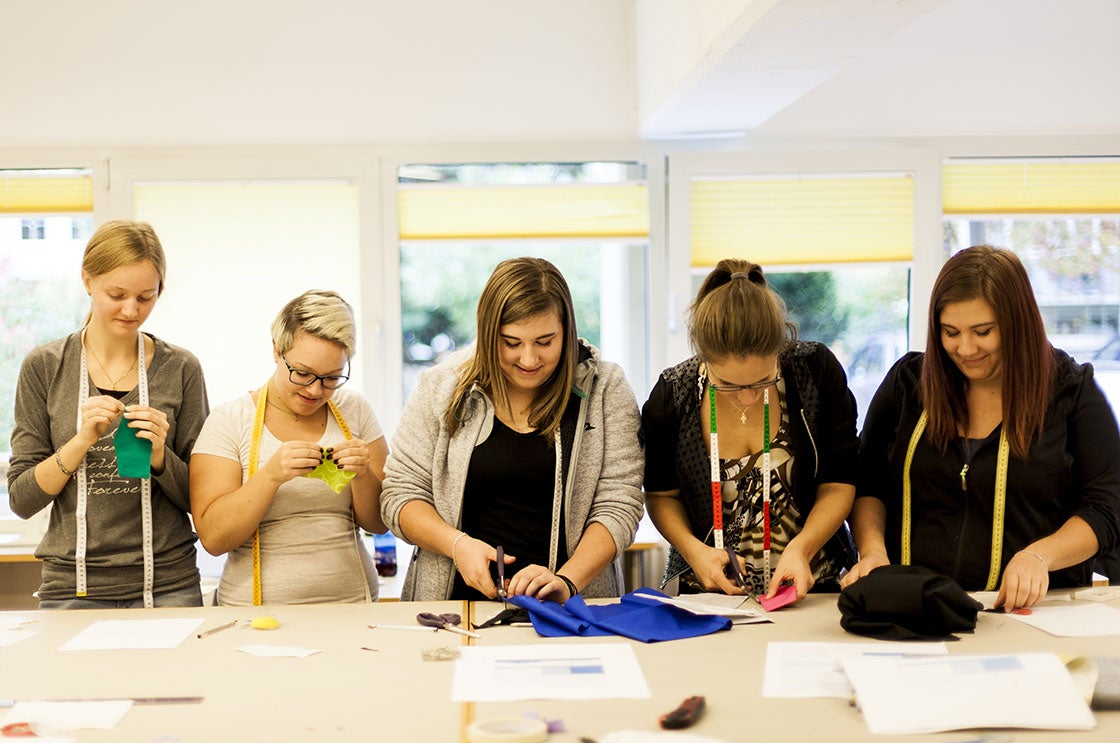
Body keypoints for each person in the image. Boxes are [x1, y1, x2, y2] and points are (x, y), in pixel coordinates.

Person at [844, 244, 1120, 610]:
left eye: (982, 331)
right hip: (914, 610)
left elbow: (1106, 507)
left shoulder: (1071, 391)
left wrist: (1040, 556)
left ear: (1017, 323)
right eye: (950, 332)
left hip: (1031, 615)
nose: (966, 349)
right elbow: (868, 482)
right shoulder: (908, 384)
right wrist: (873, 552)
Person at [381, 257, 644, 602]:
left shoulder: (605, 388)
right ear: (488, 334)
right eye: (511, 343)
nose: (529, 359)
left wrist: (567, 581)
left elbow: (619, 504)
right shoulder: (440, 387)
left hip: (571, 607)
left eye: (545, 342)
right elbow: (400, 495)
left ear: (567, 331)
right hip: (453, 608)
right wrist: (457, 545)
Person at [8, 219, 209, 609]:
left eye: (146, 297)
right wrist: (81, 441)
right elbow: (22, 499)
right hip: (72, 587)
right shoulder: (45, 367)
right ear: (87, 280)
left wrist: (160, 457)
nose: (131, 310)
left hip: (167, 585)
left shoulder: (181, 368)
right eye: (116, 294)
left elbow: (201, 500)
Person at [641, 259, 859, 600]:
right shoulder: (673, 396)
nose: (746, 397)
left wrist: (802, 548)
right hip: (710, 597)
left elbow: (838, 482)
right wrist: (695, 552)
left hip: (811, 589)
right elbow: (661, 496)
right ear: (702, 358)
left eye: (762, 380)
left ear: (780, 350)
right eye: (727, 384)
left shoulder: (814, 372)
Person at [190, 290, 388, 605]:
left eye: (331, 378)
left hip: (354, 607)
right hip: (254, 615)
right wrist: (270, 476)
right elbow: (214, 539)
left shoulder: (355, 410)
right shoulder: (229, 421)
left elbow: (379, 523)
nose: (315, 390)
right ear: (276, 349)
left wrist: (363, 475)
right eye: (303, 373)